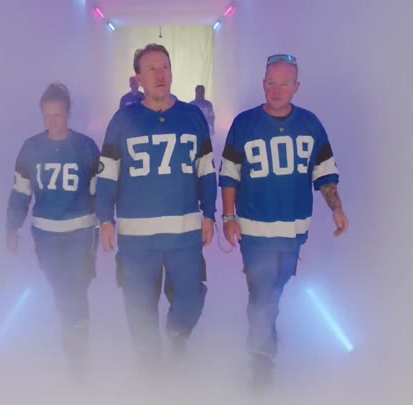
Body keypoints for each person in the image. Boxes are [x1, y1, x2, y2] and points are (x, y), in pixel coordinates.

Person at [218, 54, 349, 389]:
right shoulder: (245, 124)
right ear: (263, 84)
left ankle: (265, 331)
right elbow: (230, 174)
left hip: (293, 232)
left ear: (296, 87)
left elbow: (324, 172)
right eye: (271, 83)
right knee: (261, 293)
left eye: (284, 84)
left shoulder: (310, 124)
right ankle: (262, 361)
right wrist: (229, 216)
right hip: (254, 231)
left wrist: (336, 208)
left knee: (274, 291)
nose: (276, 90)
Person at [96, 44, 217, 369]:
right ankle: (149, 366)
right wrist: (104, 219)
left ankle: (177, 336)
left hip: (184, 235)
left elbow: (206, 170)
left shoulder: (192, 117)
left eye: (164, 67)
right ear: (139, 78)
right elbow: (107, 173)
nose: (160, 74)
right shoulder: (123, 120)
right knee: (139, 305)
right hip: (138, 239)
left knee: (191, 297)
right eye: (151, 69)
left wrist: (210, 213)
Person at [6, 82, 101, 378]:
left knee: (75, 287)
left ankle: (77, 355)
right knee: (61, 288)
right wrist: (12, 227)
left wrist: (107, 224)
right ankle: (72, 336)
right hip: (46, 235)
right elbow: (21, 192)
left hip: (81, 233)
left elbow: (99, 191)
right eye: (47, 116)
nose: (53, 122)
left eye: (58, 115)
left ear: (68, 113)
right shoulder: (31, 148)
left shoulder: (85, 147)